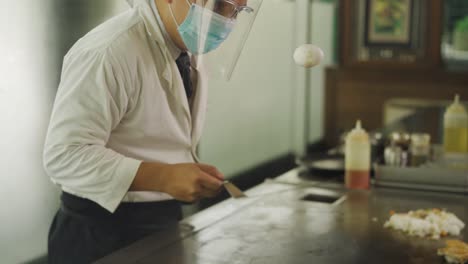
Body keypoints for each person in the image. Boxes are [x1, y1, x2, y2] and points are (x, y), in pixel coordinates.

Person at [43, 0, 261, 263]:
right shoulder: (108, 51)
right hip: (100, 232)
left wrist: (181, 171)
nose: (226, 23)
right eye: (218, 7)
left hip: (162, 221)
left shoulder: (186, 45)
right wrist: (163, 176)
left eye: (236, 12)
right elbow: (64, 156)